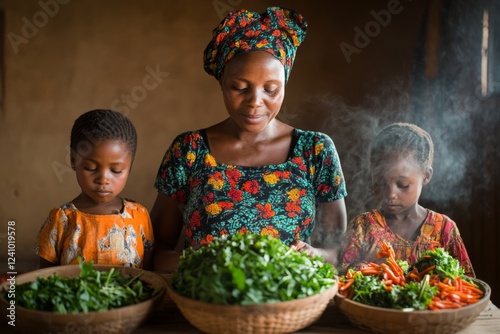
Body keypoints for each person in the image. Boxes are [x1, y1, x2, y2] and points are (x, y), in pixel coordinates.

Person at [151, 7, 348, 273]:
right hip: (206, 303)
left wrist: (313, 255)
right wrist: (197, 261)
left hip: (288, 307)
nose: (255, 102)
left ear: (285, 84)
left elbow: (339, 254)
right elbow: (156, 254)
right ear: (222, 83)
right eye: (240, 88)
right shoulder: (189, 150)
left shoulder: (315, 151)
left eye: (271, 89)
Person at [339, 122, 475, 276]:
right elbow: (342, 279)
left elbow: (466, 285)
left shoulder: (444, 230)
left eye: (402, 185)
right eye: (380, 183)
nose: (390, 194)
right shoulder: (362, 228)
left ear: (425, 176)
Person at [34, 109, 154, 269]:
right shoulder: (63, 220)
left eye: (116, 170)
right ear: (73, 161)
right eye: (90, 168)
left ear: (130, 167)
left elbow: (150, 271)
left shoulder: (139, 216)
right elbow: (46, 277)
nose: (103, 179)